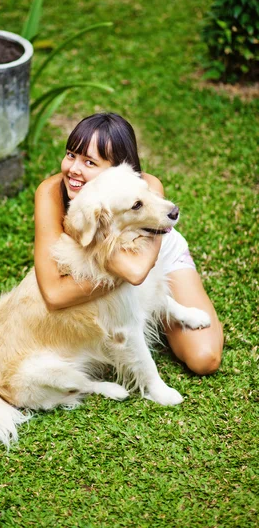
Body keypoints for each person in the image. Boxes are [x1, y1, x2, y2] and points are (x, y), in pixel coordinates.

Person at [34, 112, 223, 376]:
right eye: (70, 155)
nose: (73, 169)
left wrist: (80, 231)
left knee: (204, 359)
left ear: (118, 171)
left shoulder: (148, 186)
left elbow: (135, 272)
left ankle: (150, 311)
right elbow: (54, 294)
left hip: (157, 261)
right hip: (102, 270)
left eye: (90, 162)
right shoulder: (51, 192)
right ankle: (138, 312)